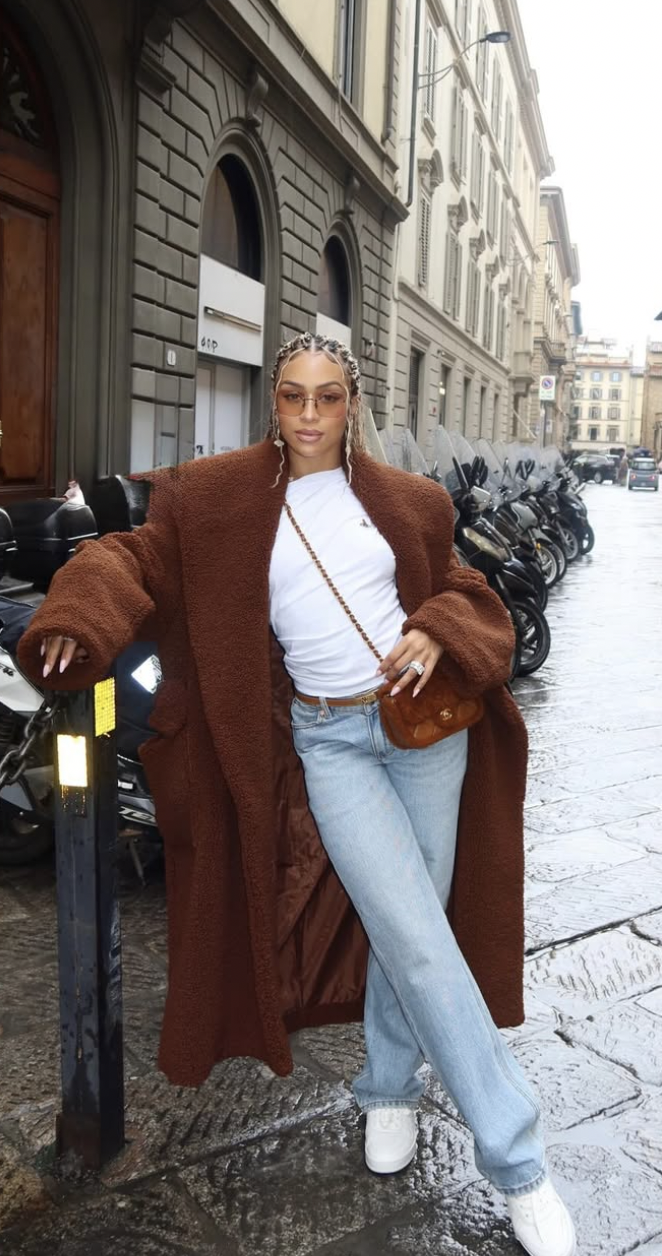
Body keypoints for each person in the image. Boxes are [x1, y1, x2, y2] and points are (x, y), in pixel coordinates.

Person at [18, 333, 575, 1256]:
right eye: (292, 397)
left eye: (327, 397)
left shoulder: (411, 501)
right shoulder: (217, 498)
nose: (310, 416)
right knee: (416, 938)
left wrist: (437, 628)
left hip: (422, 728)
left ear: (352, 403)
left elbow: (468, 589)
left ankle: (389, 1088)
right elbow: (130, 559)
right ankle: (520, 1163)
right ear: (272, 404)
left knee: (417, 928)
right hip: (328, 741)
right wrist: (77, 619)